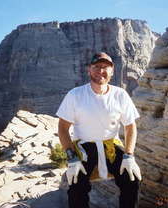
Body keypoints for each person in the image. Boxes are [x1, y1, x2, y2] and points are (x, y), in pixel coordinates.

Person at [56, 52, 142, 208]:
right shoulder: (75, 95)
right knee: (76, 186)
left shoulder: (120, 95)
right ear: (89, 69)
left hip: (111, 146)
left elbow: (130, 126)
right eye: (96, 67)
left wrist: (129, 155)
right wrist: (72, 158)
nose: (100, 71)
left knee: (131, 179)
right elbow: (63, 128)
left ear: (112, 71)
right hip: (84, 147)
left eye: (105, 67)